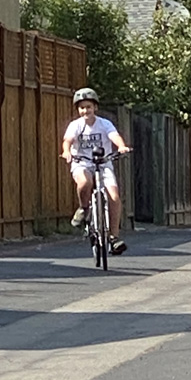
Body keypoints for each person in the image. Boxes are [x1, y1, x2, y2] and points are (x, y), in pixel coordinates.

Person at [61, 87, 131, 255]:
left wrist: (121, 146)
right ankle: (84, 208)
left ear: (95, 108)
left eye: (89, 107)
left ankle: (114, 237)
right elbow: (67, 140)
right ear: (78, 109)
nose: (85, 111)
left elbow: (114, 136)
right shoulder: (75, 125)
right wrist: (67, 151)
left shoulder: (104, 124)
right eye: (82, 107)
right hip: (82, 163)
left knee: (114, 197)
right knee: (85, 182)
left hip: (103, 163)